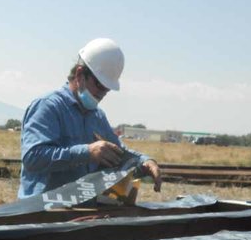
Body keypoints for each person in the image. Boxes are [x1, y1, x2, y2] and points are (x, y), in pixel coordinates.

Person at [18, 38, 162, 198]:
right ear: (80, 74)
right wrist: (86, 152)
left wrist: (144, 161)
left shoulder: (97, 116)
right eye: (100, 85)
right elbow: (32, 158)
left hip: (79, 210)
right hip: (41, 212)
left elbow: (117, 151)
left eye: (107, 90)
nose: (102, 94)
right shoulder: (48, 107)